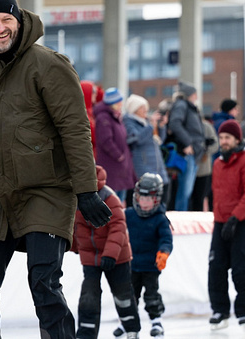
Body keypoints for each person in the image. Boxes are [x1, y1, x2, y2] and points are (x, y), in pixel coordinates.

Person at [0, 0, 111, 339]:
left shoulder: (48, 65)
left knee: (44, 284)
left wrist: (86, 192)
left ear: (19, 20)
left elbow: (75, 130)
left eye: (6, 19)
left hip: (45, 191)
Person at [71, 165, 141, 339]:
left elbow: (118, 227)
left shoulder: (108, 196)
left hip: (117, 257)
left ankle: (131, 329)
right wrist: (73, 246)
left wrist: (110, 254)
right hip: (90, 257)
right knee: (89, 297)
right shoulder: (74, 197)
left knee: (123, 295)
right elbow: (73, 225)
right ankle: (86, 334)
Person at [208, 120, 245, 332]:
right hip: (221, 225)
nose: (224, 142)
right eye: (221, 138)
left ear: (237, 139)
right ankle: (220, 311)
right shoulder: (218, 163)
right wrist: (220, 219)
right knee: (216, 270)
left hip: (242, 224)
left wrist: (235, 218)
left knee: (239, 271)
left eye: (228, 138)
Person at [118, 173, 173, 339]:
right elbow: (116, 228)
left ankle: (156, 322)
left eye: (149, 199)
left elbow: (166, 239)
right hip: (132, 266)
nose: (145, 202)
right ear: (136, 197)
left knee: (151, 296)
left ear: (157, 200)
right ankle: (126, 324)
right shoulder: (128, 215)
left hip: (151, 267)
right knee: (130, 297)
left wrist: (163, 253)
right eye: (142, 198)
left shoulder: (160, 219)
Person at [123, 94, 169, 207]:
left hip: (158, 167)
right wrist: (151, 126)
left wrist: (161, 127)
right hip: (143, 167)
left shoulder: (146, 122)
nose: (146, 110)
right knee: (145, 201)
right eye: (142, 107)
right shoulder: (129, 122)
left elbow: (159, 141)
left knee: (163, 196)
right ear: (134, 109)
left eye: (146, 107)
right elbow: (137, 139)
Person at [167, 81, 205, 211]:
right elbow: (175, 124)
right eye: (195, 94)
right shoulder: (182, 105)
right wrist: (188, 143)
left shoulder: (188, 107)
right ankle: (180, 217)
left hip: (194, 153)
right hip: (187, 153)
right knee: (184, 190)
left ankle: (182, 215)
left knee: (187, 191)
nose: (197, 97)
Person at [95, 88, 138, 202]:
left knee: (119, 200)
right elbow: (105, 140)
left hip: (120, 167)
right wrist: (118, 155)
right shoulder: (104, 118)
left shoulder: (116, 117)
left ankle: (118, 220)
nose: (121, 104)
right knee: (112, 200)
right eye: (119, 101)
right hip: (112, 166)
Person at [190, 116, 219, 211]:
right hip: (187, 169)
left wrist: (206, 152)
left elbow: (215, 144)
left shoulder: (206, 126)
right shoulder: (187, 126)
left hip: (203, 170)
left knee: (200, 198)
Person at [80, 81, 98, 160]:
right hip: (87, 157)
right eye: (93, 91)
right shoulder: (82, 114)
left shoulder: (91, 113)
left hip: (93, 156)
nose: (95, 94)